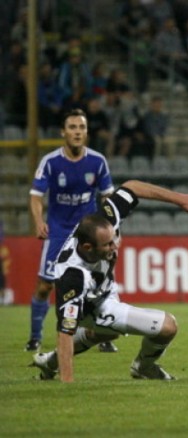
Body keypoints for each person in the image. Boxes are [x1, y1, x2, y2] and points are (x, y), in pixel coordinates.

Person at [30, 180, 188, 382]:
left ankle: (48, 362)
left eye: (114, 238)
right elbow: (65, 332)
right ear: (88, 247)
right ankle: (144, 367)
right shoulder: (73, 276)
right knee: (168, 326)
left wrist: (181, 199)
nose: (115, 246)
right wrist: (68, 383)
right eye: (108, 244)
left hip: (105, 290)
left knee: (104, 334)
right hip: (92, 307)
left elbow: (132, 187)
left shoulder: (105, 220)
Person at [25, 109, 116, 353]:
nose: (77, 132)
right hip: (57, 232)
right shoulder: (51, 162)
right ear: (63, 132)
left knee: (96, 285)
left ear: (86, 132)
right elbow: (35, 196)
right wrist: (38, 220)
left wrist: (110, 228)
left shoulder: (97, 161)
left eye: (82, 127)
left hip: (87, 235)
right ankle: (35, 337)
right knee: (45, 286)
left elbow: (108, 196)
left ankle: (102, 334)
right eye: (73, 127)